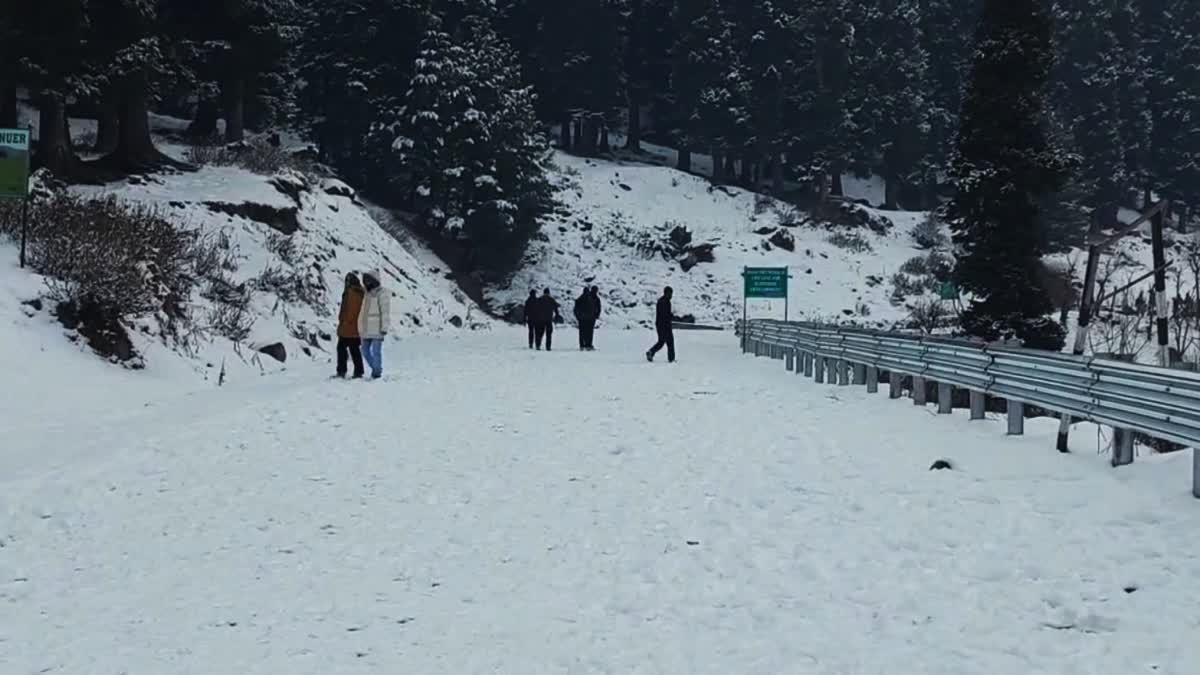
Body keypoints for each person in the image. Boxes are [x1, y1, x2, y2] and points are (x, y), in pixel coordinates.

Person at [358, 270, 391, 379]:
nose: (367, 283)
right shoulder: (366, 294)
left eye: (369, 280)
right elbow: (362, 312)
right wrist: (360, 327)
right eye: (365, 280)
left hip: (377, 328)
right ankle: (376, 369)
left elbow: (385, 311)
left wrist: (384, 327)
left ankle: (376, 373)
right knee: (365, 351)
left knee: (376, 352)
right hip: (366, 329)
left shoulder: (382, 293)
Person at [335, 272, 365, 378]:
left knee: (343, 348)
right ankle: (358, 371)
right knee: (353, 349)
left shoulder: (351, 293)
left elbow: (349, 310)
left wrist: (343, 321)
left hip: (349, 326)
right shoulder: (359, 292)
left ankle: (343, 371)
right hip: (354, 326)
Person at [646, 286, 676, 363]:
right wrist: (671, 316)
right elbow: (664, 314)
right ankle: (671, 359)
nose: (671, 295)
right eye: (670, 293)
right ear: (666, 293)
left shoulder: (663, 301)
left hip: (660, 324)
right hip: (664, 325)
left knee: (661, 341)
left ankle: (651, 352)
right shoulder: (664, 302)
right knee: (670, 342)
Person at [574, 285, 597, 351]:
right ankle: (588, 345)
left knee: (581, 332)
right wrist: (594, 316)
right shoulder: (591, 299)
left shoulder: (579, 298)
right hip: (590, 318)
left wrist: (578, 317)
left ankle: (581, 345)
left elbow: (576, 309)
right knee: (589, 332)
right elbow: (594, 308)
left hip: (581, 319)